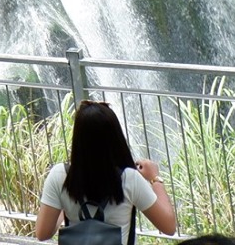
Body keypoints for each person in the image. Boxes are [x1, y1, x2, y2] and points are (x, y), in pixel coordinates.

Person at [34, 100, 178, 242]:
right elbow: (169, 227)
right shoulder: (129, 179)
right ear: (115, 137)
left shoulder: (60, 176)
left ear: (77, 139)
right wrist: (155, 178)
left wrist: (61, 205)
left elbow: (42, 233)